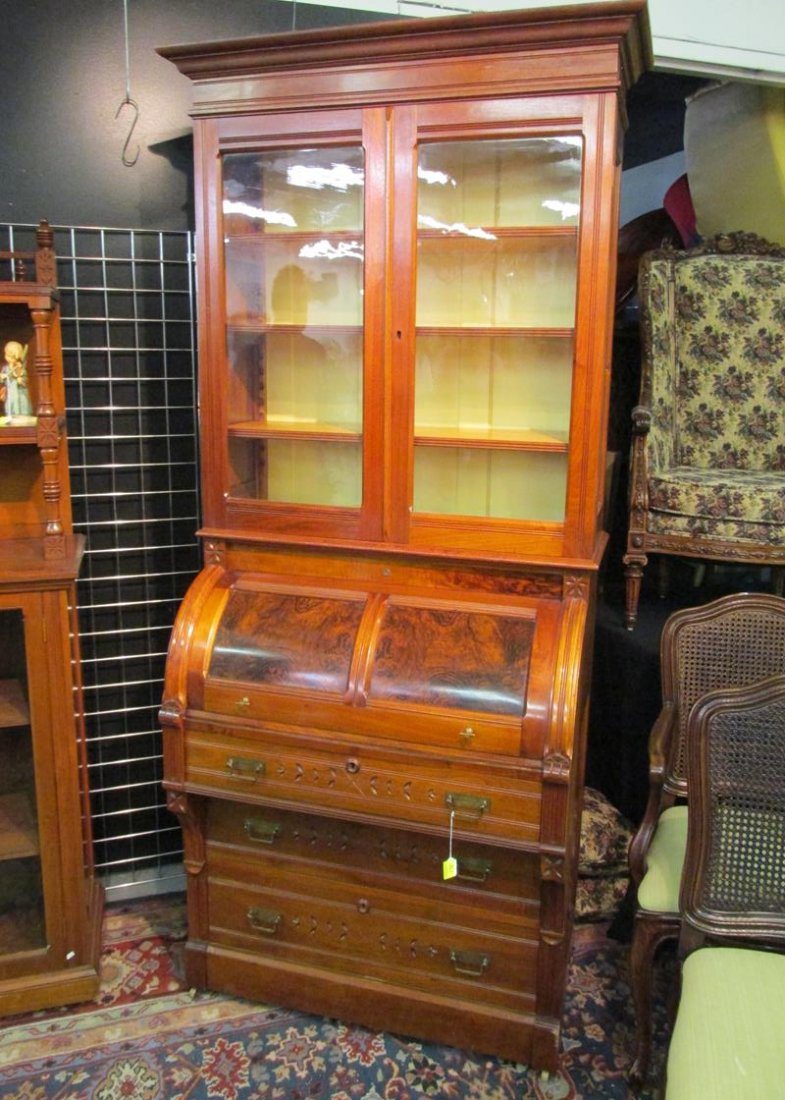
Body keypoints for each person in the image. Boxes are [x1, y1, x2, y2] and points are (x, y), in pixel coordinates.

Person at [1, 340, 33, 420]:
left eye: (11, 357)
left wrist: (20, 380)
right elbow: (2, 380)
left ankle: (22, 415)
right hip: (10, 393)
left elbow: (25, 380)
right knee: (10, 405)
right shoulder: (5, 368)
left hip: (20, 393)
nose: (8, 358)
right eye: (7, 356)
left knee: (22, 403)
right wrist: (2, 377)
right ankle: (10, 415)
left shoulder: (21, 369)